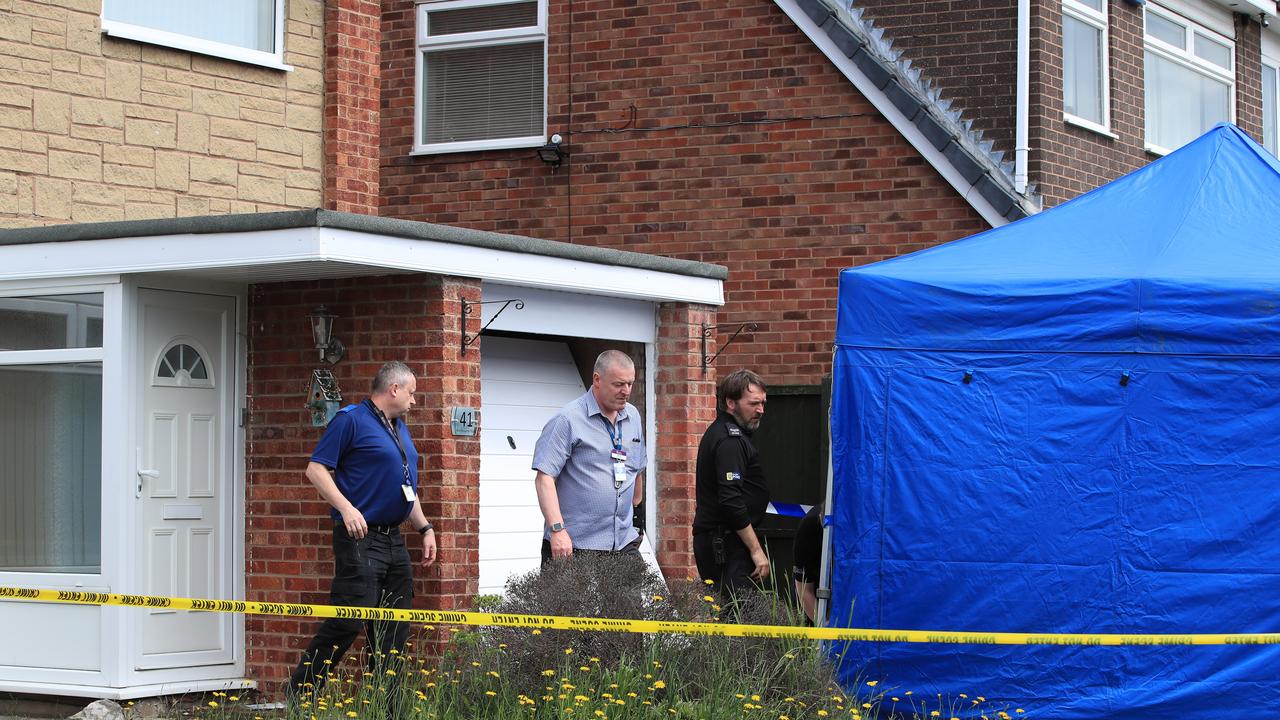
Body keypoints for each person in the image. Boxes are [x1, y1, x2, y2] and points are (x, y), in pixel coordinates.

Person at [288, 361, 437, 700]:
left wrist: (424, 527)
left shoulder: (399, 426)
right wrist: (346, 507)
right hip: (359, 538)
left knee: (394, 629)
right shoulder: (351, 420)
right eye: (412, 393)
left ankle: (386, 707)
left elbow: (405, 486)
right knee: (349, 621)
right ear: (393, 389)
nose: (414, 401)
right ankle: (300, 695)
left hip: (393, 540)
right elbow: (316, 470)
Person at [533, 349, 647, 564]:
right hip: (574, 545)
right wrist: (557, 531)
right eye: (618, 384)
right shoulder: (568, 419)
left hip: (622, 544)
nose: (626, 391)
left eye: (630, 384)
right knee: (567, 600)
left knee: (629, 599)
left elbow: (636, 468)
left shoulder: (632, 415)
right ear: (597, 379)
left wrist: (637, 520)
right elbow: (544, 479)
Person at [693, 369, 770, 603]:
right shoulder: (730, 440)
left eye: (763, 403)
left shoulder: (728, 434)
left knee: (730, 615)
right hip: (725, 544)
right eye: (754, 403)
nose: (761, 410)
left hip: (724, 541)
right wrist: (756, 550)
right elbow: (731, 500)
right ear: (730, 403)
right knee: (736, 617)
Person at [792, 502, 824, 624]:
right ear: (821, 517)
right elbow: (804, 590)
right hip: (813, 590)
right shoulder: (809, 526)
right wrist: (824, 626)